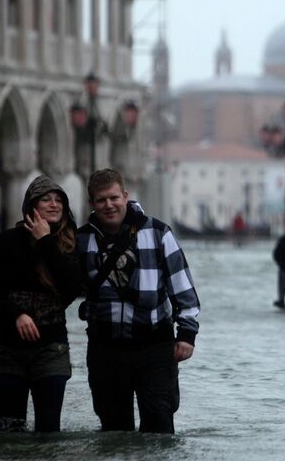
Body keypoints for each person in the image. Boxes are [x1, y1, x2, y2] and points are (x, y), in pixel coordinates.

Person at [77, 168, 200, 433]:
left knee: (159, 426)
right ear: (92, 204)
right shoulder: (82, 238)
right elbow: (67, 284)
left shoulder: (157, 232)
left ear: (125, 196)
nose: (109, 205)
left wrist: (187, 334)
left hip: (154, 346)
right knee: (114, 431)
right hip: (105, 349)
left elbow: (182, 286)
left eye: (113, 198)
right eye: (101, 200)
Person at [0, 175, 80, 432]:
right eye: (46, 199)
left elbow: (72, 288)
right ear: (30, 206)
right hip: (6, 347)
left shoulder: (70, 243)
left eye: (59, 200)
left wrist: (46, 241)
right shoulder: (8, 240)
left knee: (49, 431)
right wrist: (18, 315)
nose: (53, 204)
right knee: (10, 429)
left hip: (51, 348)